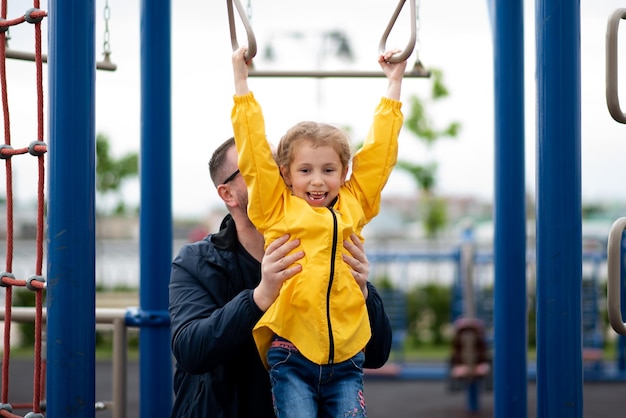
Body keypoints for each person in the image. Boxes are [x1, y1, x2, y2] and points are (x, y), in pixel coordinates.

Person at [231, 46, 406, 416]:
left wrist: (394, 82)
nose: (317, 180)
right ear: (286, 175)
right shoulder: (275, 208)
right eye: (305, 169)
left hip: (346, 356)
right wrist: (241, 82)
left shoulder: (354, 203)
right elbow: (253, 154)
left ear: (344, 174)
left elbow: (380, 154)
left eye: (329, 170)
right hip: (292, 351)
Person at [168, 136, 393, 417]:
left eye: (279, 165)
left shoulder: (328, 250)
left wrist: (364, 293)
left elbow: (377, 353)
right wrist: (260, 297)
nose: (278, 176)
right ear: (228, 194)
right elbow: (191, 350)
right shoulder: (197, 262)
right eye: (256, 167)